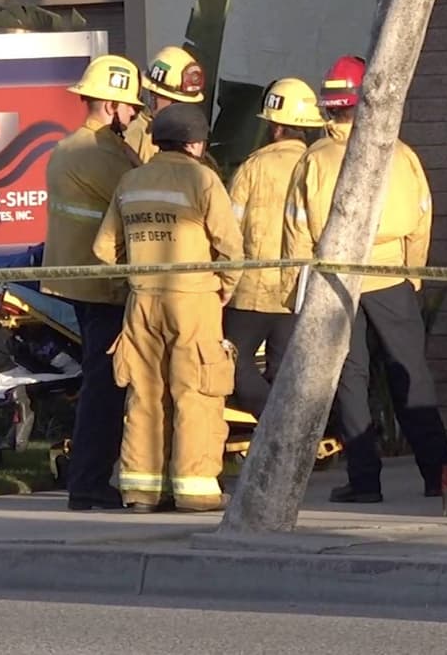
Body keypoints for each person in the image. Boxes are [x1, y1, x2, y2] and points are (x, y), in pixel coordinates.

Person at [281, 54, 447, 503]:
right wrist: (411, 274)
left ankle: (365, 481)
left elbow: (296, 232)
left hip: (335, 281)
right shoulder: (399, 154)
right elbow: (421, 219)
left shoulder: (313, 160)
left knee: (350, 380)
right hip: (392, 275)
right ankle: (438, 475)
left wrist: (295, 293)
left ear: (330, 108)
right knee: (411, 373)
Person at [92, 103, 244, 513]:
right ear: (195, 143)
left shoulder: (131, 181)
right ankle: (195, 490)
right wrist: (226, 287)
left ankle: (141, 490)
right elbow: (231, 247)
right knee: (196, 392)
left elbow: (104, 249)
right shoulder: (203, 179)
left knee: (144, 393)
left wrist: (134, 277)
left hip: (141, 302)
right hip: (193, 301)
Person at [40, 54, 146, 511]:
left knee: (101, 385)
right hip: (104, 287)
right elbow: (140, 201)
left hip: (84, 284)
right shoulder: (100, 154)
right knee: (106, 389)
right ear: (110, 105)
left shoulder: (70, 147)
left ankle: (89, 480)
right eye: (130, 107)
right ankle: (88, 483)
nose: (135, 114)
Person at [224, 78, 326, 417]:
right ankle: (285, 435)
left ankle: (271, 422)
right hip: (297, 292)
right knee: (284, 372)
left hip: (250, 292)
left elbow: (228, 231)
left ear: (276, 127)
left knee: (232, 365)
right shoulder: (317, 166)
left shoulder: (253, 167)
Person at [124, 45, 207, 164]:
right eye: (176, 102)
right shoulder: (135, 136)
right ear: (154, 98)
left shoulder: (193, 136)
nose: (183, 111)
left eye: (188, 105)